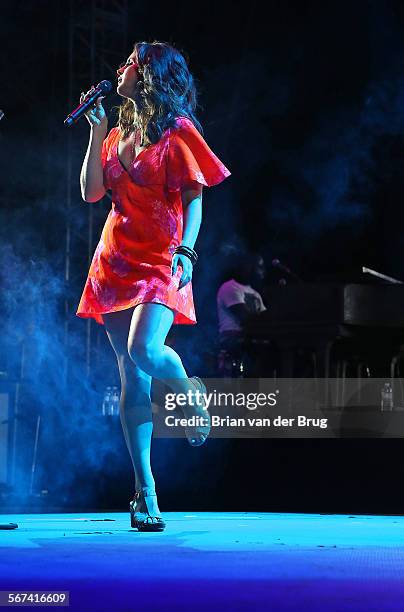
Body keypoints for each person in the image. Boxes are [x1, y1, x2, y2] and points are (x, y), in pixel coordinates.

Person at [76, 41, 230, 531]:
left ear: (150, 76)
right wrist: (97, 131)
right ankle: (145, 492)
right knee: (131, 373)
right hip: (114, 260)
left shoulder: (177, 131)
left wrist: (187, 250)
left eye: (130, 63)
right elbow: (91, 192)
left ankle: (189, 393)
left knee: (144, 350)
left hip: (163, 257)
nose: (120, 68)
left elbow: (195, 198)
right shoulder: (115, 131)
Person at [216, 253, 267, 373]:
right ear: (248, 267)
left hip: (250, 337)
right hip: (232, 338)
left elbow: (265, 319)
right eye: (259, 267)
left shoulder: (256, 293)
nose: (262, 271)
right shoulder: (230, 287)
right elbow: (245, 317)